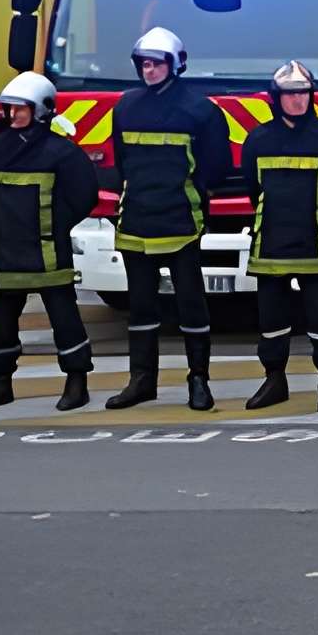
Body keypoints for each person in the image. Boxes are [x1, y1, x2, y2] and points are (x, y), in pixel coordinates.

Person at [102, 25, 233, 411]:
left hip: (182, 221)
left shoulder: (200, 110)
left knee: (192, 306)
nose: (150, 70)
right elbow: (122, 163)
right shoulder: (125, 106)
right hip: (136, 221)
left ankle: (199, 380)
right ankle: (142, 380)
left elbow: (218, 167)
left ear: (175, 65)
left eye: (157, 64)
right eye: (144, 64)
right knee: (140, 308)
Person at [0, 71, 98, 413]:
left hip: (47, 253)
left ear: (41, 109)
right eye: (9, 109)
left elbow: (84, 196)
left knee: (64, 318)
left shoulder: (62, 153)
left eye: (20, 109)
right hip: (3, 253)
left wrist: (52, 226)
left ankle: (76, 380)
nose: (13, 116)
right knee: (1, 323)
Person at [238, 60, 318, 412]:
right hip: (270, 245)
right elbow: (252, 188)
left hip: (315, 243)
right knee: (271, 320)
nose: (297, 101)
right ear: (277, 98)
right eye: (290, 95)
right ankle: (274, 379)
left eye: (303, 93)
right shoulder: (258, 139)